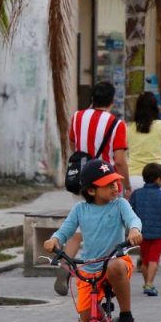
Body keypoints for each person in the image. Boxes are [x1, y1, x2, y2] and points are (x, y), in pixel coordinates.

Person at [43, 159, 143, 322]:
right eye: (108, 185)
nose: (115, 187)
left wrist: (134, 231)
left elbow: (133, 220)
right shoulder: (80, 210)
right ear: (91, 191)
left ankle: (126, 317)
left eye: (116, 182)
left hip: (114, 264)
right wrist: (54, 240)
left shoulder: (120, 205)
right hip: (89, 271)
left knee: (116, 265)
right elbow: (65, 231)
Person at [56, 81, 130, 296]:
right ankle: (106, 273)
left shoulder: (77, 117)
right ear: (112, 100)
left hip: (82, 180)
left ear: (92, 99)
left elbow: (73, 145)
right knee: (110, 229)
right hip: (106, 183)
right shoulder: (117, 124)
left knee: (78, 227)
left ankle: (65, 267)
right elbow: (119, 159)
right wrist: (126, 185)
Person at [128, 163, 161, 296]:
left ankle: (147, 283)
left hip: (141, 233)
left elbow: (129, 210)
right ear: (158, 179)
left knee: (144, 260)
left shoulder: (136, 194)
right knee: (153, 260)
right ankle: (149, 284)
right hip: (158, 234)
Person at [126, 91, 161, 193]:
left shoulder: (129, 128)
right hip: (158, 179)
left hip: (134, 178)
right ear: (155, 108)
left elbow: (125, 155)